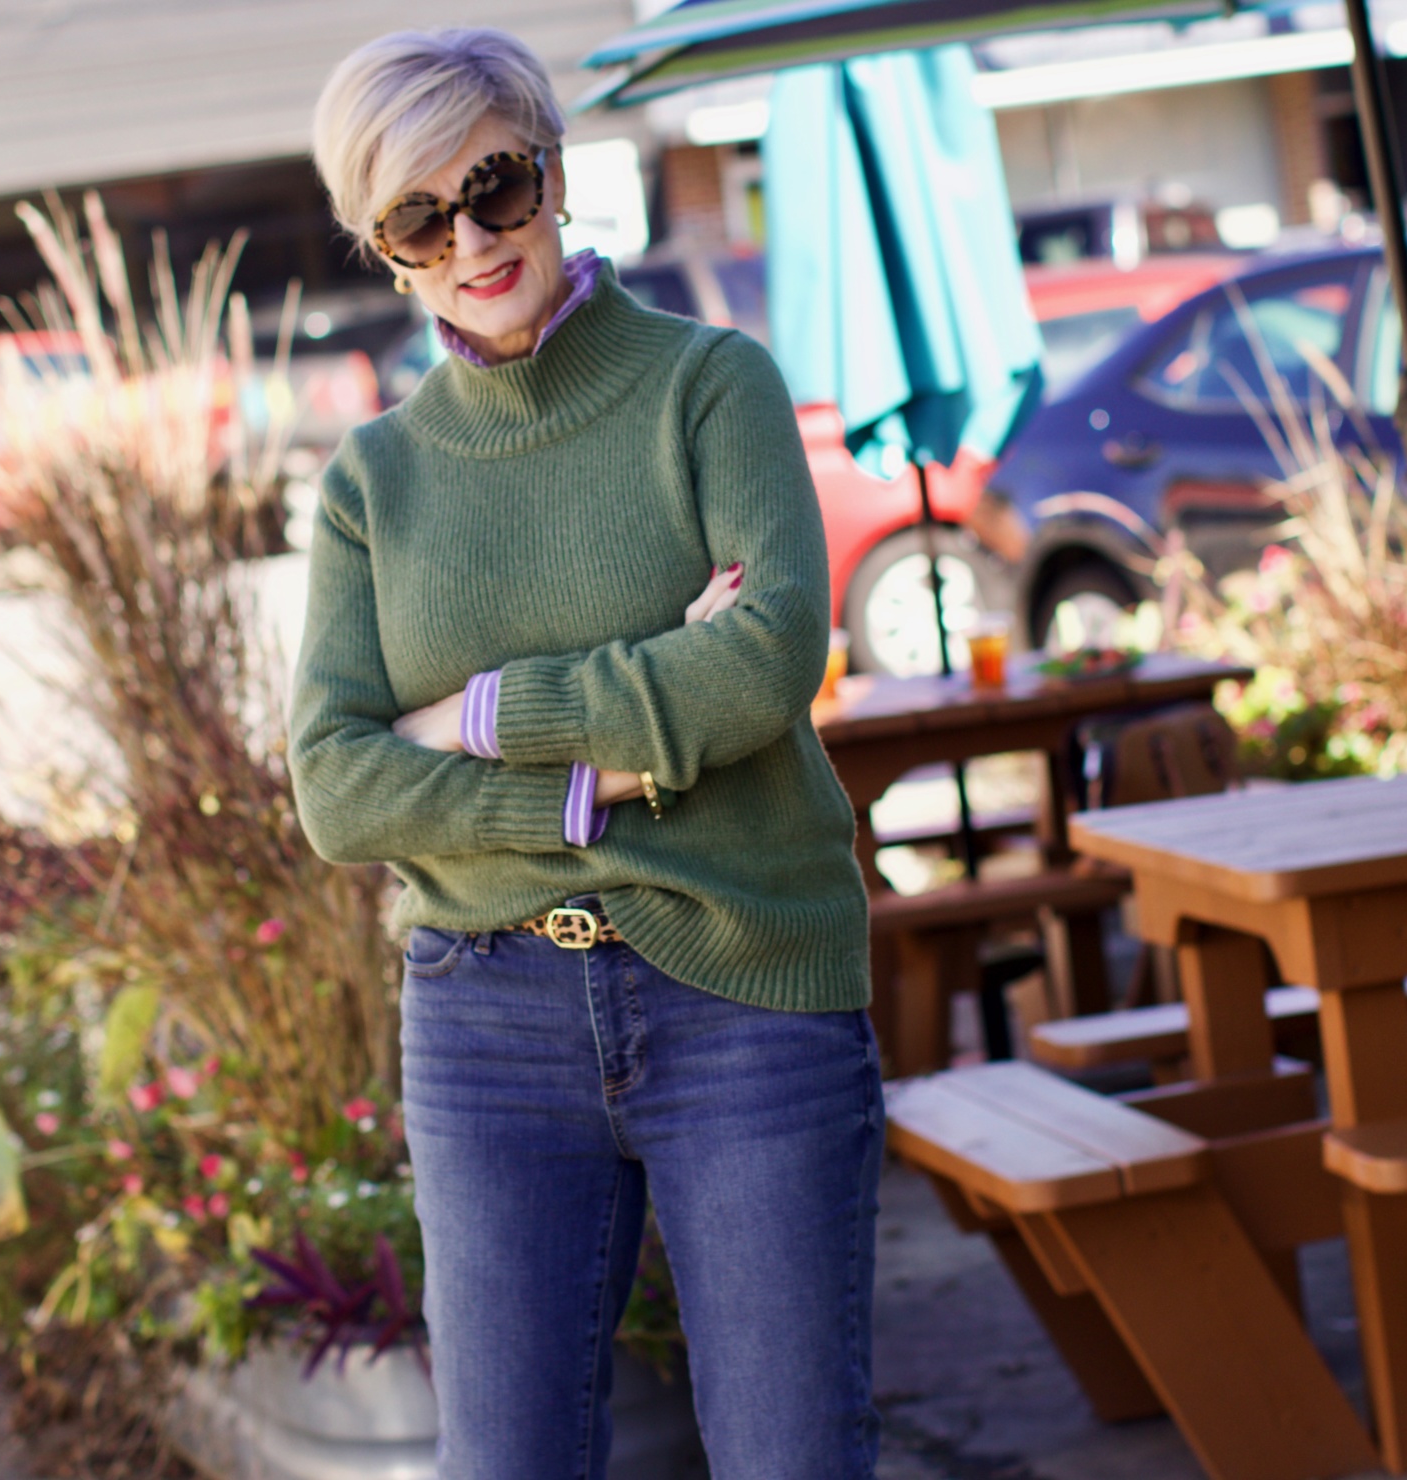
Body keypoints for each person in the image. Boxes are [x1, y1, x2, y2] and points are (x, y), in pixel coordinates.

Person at [291, 27, 880, 1479]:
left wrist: (476, 715)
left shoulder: (710, 387)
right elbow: (336, 785)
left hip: (743, 980)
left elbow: (763, 661)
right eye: (420, 217)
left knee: (790, 1456)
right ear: (383, 245)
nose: (475, 239)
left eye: (498, 185)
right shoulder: (376, 480)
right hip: (485, 1020)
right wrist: (603, 769)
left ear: (554, 167)